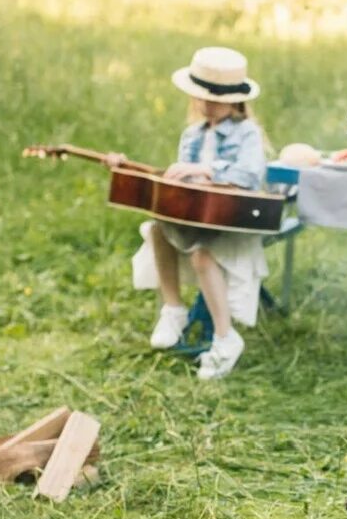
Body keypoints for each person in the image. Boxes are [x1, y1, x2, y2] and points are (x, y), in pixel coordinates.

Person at [108, 46, 269, 380]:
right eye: (201, 97)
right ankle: (174, 310)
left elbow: (251, 174)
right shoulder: (192, 134)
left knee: (202, 256)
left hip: (234, 219)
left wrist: (208, 169)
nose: (206, 104)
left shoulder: (247, 133)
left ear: (234, 100)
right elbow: (184, 187)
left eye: (215, 98)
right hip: (197, 217)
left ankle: (226, 338)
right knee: (155, 229)